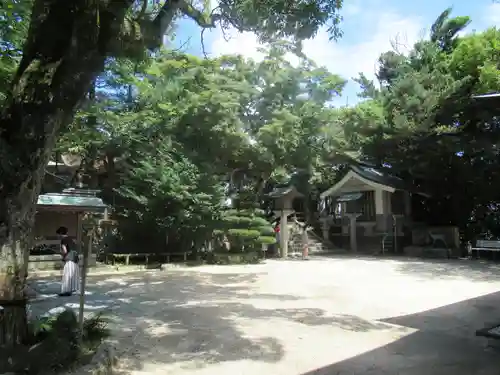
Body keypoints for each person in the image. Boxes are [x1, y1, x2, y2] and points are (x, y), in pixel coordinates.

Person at [56, 226, 80, 297]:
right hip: (75, 259)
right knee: (73, 275)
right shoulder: (71, 239)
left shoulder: (63, 240)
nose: (57, 236)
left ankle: (66, 291)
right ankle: (72, 289)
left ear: (60, 233)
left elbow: (65, 251)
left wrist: (62, 254)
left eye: (58, 234)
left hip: (69, 259)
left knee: (67, 275)